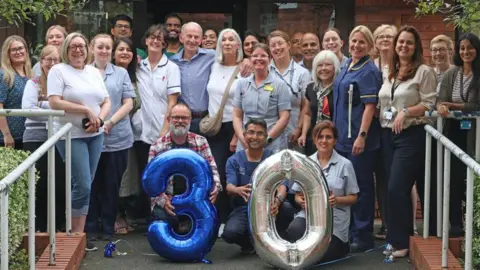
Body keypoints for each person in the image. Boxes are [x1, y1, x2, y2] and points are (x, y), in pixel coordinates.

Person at [47, 32, 111, 251]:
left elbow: (106, 100)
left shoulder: (93, 71)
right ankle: (72, 234)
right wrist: (85, 110)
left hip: (95, 135)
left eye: (81, 46)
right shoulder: (58, 71)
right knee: (82, 184)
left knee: (87, 184)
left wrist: (100, 119)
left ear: (87, 49)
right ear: (66, 48)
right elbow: (55, 102)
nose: (77, 50)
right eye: (73, 46)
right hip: (70, 134)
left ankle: (79, 235)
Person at [378, 25, 436, 257]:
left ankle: (402, 243)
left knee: (397, 188)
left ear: (416, 47)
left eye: (408, 43)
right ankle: (395, 240)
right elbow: (385, 103)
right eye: (400, 42)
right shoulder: (389, 71)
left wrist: (406, 111)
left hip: (411, 135)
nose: (403, 46)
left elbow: (429, 104)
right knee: (391, 190)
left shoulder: (424, 72)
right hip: (387, 134)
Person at [332, 25, 382, 252]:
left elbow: (370, 106)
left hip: (359, 140)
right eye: (353, 41)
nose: (356, 45)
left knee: (360, 187)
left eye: (362, 42)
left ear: (369, 45)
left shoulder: (369, 70)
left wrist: (362, 136)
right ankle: (349, 232)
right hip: (342, 139)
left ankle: (363, 236)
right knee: (346, 188)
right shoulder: (346, 66)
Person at [285, 121, 358, 263]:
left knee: (319, 254)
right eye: (320, 137)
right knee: (294, 232)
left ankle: (340, 247)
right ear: (315, 138)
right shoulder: (305, 163)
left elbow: (354, 197)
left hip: (334, 222)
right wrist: (301, 201)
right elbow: (296, 195)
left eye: (328, 137)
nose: (324, 141)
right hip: (308, 217)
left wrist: (337, 200)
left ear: (335, 140)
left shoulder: (345, 164)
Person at [85, 34, 135, 241]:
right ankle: (89, 227)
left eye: (108, 47)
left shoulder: (121, 73)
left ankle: (107, 227)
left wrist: (109, 122)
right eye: (100, 47)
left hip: (117, 138)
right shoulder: (84, 72)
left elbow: (128, 103)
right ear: (92, 48)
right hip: (88, 136)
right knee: (91, 184)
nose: (104, 51)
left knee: (111, 185)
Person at [131, 24, 181, 220]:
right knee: (145, 175)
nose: (155, 41)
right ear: (145, 41)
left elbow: (172, 101)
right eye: (152, 37)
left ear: (164, 44)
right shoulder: (138, 66)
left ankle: (165, 216)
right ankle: (147, 217)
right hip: (140, 131)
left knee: (165, 175)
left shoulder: (171, 68)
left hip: (162, 131)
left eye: (160, 39)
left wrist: (164, 130)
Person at [149, 103, 221, 232]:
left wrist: (216, 187)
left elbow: (212, 168)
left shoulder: (201, 141)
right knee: (164, 225)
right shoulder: (157, 146)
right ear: (169, 119)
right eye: (176, 117)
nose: (180, 121)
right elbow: (151, 182)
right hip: (168, 199)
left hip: (195, 198)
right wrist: (163, 201)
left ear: (190, 120)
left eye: (184, 118)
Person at [171, 22, 251, 135]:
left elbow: (231, 57)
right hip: (182, 120)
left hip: (207, 120)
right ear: (181, 37)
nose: (193, 40)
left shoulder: (211, 56)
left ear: (201, 40)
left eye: (196, 37)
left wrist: (247, 60)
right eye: (189, 36)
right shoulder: (172, 62)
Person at [437, 33, 480, 237]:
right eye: (462, 48)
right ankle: (456, 224)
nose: (466, 52)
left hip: (475, 133)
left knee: (471, 177)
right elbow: (440, 100)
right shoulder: (451, 74)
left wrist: (451, 106)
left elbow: (475, 105)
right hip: (453, 131)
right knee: (453, 177)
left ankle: (474, 224)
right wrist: (442, 106)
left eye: (470, 48)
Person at [22, 45, 65, 232]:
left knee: (58, 184)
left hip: (58, 138)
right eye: (48, 59)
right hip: (35, 138)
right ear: (41, 62)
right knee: (39, 185)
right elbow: (29, 110)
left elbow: (69, 107)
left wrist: (42, 104)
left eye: (56, 59)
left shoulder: (64, 83)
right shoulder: (33, 83)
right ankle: (38, 228)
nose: (52, 63)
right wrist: (55, 109)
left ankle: (56, 227)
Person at [205, 28, 243, 224]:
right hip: (214, 127)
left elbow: (243, 103)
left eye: (232, 39)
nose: (227, 42)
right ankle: (218, 218)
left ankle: (233, 218)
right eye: (224, 39)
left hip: (233, 126)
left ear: (238, 44)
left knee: (232, 173)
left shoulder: (244, 69)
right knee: (216, 173)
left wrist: (237, 135)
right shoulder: (214, 65)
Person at [221, 118, 272, 254]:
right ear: (244, 135)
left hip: (269, 207)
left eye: (260, 133)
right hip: (244, 207)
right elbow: (229, 186)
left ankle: (274, 243)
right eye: (251, 132)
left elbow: (283, 185)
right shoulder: (234, 160)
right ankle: (251, 243)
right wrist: (238, 190)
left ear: (266, 137)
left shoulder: (272, 158)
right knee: (230, 233)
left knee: (287, 211)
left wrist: (278, 200)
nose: (255, 137)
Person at [232, 43, 291, 153]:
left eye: (263, 56)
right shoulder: (242, 84)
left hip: (271, 144)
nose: (259, 59)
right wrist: (242, 138)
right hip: (246, 144)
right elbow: (236, 116)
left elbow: (284, 117)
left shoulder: (280, 85)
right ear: (250, 59)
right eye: (255, 56)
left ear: (270, 59)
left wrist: (266, 140)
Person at [372, 24, 397, 241]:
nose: (385, 39)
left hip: (395, 129)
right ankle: (386, 224)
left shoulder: (401, 65)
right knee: (381, 177)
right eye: (381, 36)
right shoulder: (372, 66)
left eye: (389, 36)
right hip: (375, 129)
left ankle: (404, 225)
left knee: (397, 177)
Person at [112, 37, 140, 234]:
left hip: (129, 133)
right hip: (108, 130)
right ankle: (113, 217)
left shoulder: (137, 75)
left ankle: (123, 214)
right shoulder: (104, 73)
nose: (125, 53)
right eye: (120, 49)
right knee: (112, 177)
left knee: (127, 178)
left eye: (128, 50)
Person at [268, 30, 311, 151]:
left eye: (280, 43)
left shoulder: (302, 73)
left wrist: (298, 129)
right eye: (273, 45)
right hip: (268, 134)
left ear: (288, 45)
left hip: (292, 134)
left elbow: (305, 106)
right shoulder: (264, 72)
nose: (277, 48)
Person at [298, 50, 340, 156]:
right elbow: (307, 114)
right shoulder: (311, 88)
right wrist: (303, 134)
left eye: (328, 65)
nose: (323, 68)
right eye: (320, 65)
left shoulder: (340, 88)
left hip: (334, 139)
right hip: (314, 138)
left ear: (335, 67)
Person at [0, 35, 32, 149]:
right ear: (7, 53)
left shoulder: (30, 75)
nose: (18, 52)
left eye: (20, 48)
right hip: (9, 139)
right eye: (13, 49)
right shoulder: (4, 75)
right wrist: (6, 135)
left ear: (26, 50)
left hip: (28, 136)